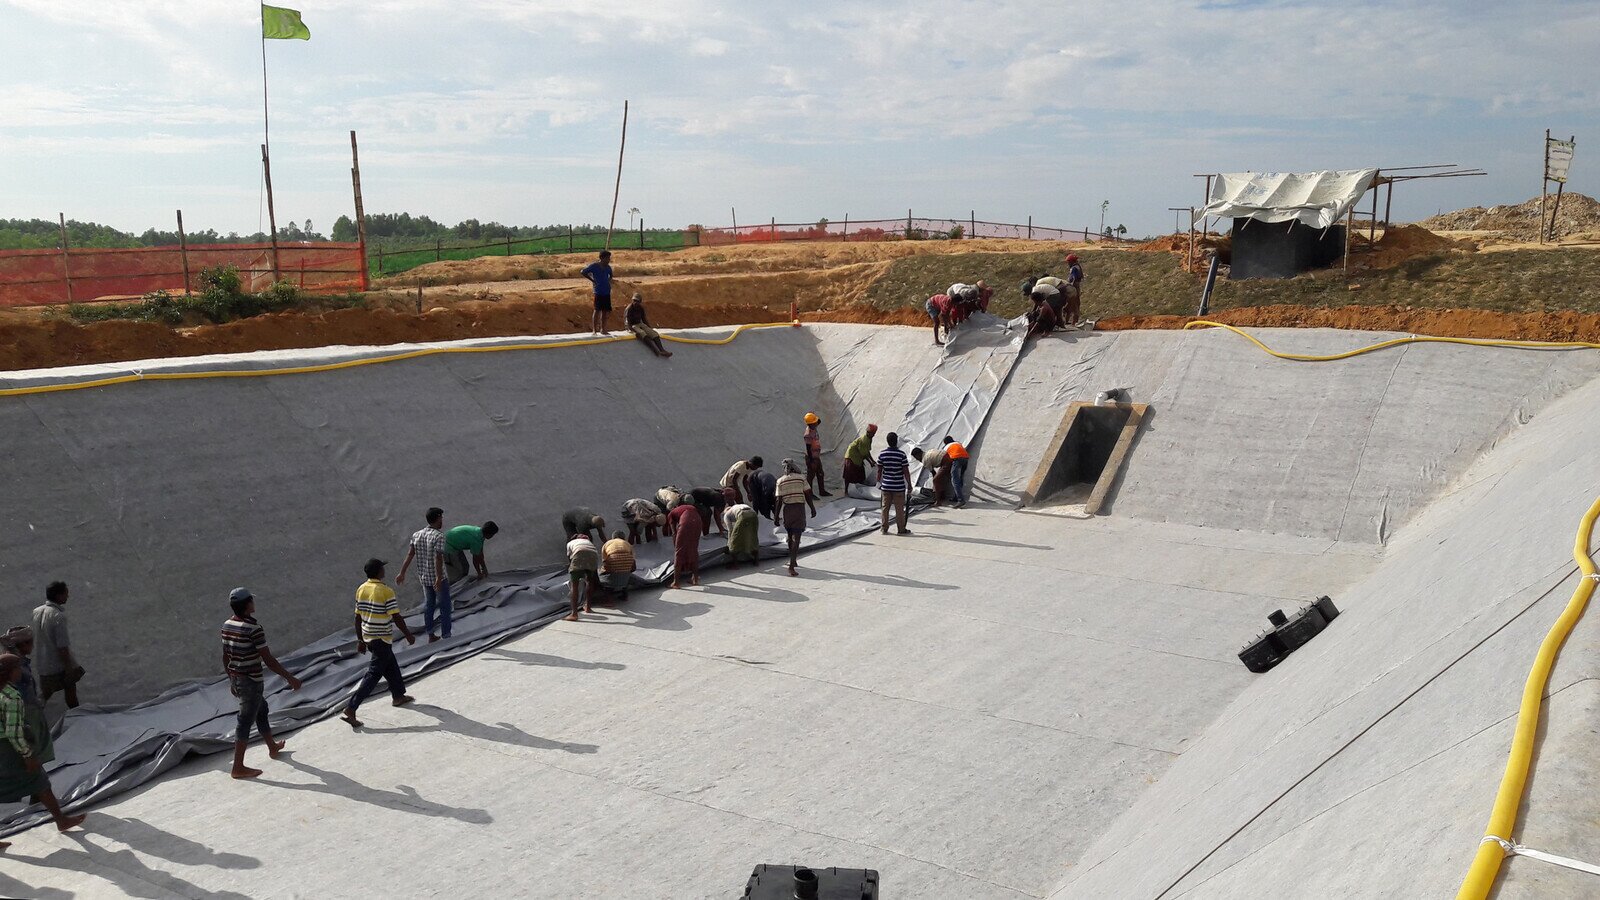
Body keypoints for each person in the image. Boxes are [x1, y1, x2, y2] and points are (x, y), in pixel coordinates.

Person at [221, 587, 303, 779]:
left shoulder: (227, 625)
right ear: (247, 604)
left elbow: (225, 656)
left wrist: (231, 679)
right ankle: (238, 767)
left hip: (240, 678)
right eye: (252, 600)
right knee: (244, 722)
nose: (253, 603)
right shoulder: (254, 629)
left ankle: (272, 747)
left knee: (262, 709)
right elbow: (268, 660)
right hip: (251, 681)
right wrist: (290, 678)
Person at [0, 654, 86, 835]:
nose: (19, 672)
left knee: (39, 783)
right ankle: (61, 820)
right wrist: (28, 755)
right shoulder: (12, 697)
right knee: (39, 781)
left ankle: (61, 820)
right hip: (8, 749)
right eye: (17, 668)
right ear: (9, 673)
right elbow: (13, 732)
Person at [342, 559, 416, 729]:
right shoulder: (385, 591)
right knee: (374, 674)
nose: (384, 570)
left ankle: (398, 696)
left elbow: (357, 617)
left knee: (390, 664)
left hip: (369, 636)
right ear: (379, 572)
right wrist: (408, 634)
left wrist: (360, 640)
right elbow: (396, 616)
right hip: (381, 637)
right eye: (383, 567)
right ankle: (351, 708)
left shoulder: (361, 589)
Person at [0, 627, 51, 771]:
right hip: (27, 712)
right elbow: (14, 732)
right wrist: (28, 756)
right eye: (30, 643)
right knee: (36, 746)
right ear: (22, 645)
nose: (32, 646)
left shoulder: (11, 661)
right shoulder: (16, 668)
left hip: (29, 710)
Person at [397, 507, 451, 643]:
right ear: (438, 518)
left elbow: (410, 554)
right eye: (441, 518)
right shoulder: (439, 536)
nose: (442, 520)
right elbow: (438, 558)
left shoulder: (417, 535)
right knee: (445, 606)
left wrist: (402, 572)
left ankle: (431, 634)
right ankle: (446, 635)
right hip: (439, 579)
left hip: (425, 578)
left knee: (429, 606)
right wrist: (439, 578)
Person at [31, 581, 83, 712]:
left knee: (45, 693)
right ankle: (78, 715)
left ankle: (34, 714)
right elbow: (62, 646)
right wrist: (68, 668)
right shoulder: (58, 616)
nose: (68, 596)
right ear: (59, 596)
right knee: (70, 690)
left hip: (43, 663)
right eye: (66, 593)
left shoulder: (37, 611)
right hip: (58, 664)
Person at [775, 459, 817, 576]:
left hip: (787, 510)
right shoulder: (801, 478)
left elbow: (778, 500)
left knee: (789, 536)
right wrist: (813, 508)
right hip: (798, 509)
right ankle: (792, 566)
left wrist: (776, 516)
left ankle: (793, 560)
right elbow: (808, 494)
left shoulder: (780, 481)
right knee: (796, 538)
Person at [877, 433, 911, 535]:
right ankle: (901, 529)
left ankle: (884, 528)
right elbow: (906, 471)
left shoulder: (882, 454)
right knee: (899, 509)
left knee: (885, 508)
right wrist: (909, 484)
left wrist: (878, 482)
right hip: (899, 487)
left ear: (887, 441)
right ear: (896, 441)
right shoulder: (901, 454)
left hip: (886, 486)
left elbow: (879, 471)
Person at [667, 500, 703, 589]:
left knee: (679, 553)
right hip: (698, 521)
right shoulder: (684, 507)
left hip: (686, 522)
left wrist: (676, 546)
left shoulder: (671, 513)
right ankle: (695, 579)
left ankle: (676, 583)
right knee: (693, 549)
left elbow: (674, 532)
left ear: (671, 508)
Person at [624, 293, 673, 357]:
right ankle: (655, 350)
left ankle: (662, 350)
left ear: (640, 302)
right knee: (642, 333)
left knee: (653, 333)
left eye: (637, 301)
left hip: (639, 323)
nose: (635, 302)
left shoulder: (640, 308)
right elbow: (627, 321)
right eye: (634, 301)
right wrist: (631, 330)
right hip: (632, 325)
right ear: (632, 300)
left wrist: (649, 328)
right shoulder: (629, 308)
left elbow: (644, 319)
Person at [565, 532, 600, 619]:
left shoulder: (571, 543)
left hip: (578, 553)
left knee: (575, 585)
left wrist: (574, 571)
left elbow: (570, 558)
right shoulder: (589, 543)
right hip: (593, 555)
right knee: (589, 582)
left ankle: (574, 614)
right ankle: (588, 607)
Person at [580, 249, 614, 335]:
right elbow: (583, 272)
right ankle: (594, 330)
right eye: (607, 258)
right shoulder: (594, 266)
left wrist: (608, 282)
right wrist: (593, 280)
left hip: (606, 291)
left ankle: (603, 329)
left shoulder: (608, 267)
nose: (609, 260)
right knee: (597, 310)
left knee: (605, 311)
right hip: (598, 291)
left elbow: (611, 275)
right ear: (602, 258)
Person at [842, 424, 878, 498]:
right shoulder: (864, 440)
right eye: (872, 433)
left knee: (860, 475)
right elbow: (864, 454)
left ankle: (858, 490)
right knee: (849, 475)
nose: (873, 435)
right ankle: (846, 491)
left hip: (858, 457)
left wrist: (872, 460)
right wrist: (870, 462)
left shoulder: (869, 439)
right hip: (851, 456)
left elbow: (867, 451)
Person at [600, 531, 636, 602]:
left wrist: (603, 572)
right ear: (623, 538)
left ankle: (608, 599)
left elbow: (605, 561)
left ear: (613, 537)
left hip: (613, 558)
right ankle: (625, 595)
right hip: (628, 560)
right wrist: (627, 572)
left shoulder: (607, 543)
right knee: (626, 575)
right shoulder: (627, 543)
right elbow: (633, 563)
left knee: (605, 577)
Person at [803, 412, 832, 497]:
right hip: (811, 457)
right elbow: (808, 448)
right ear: (811, 424)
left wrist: (813, 417)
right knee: (811, 476)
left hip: (816, 456)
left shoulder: (813, 427)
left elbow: (819, 421)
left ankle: (822, 491)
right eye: (814, 422)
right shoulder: (808, 434)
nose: (817, 423)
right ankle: (809, 494)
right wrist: (811, 461)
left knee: (820, 473)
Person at [724, 503, 760, 569]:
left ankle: (735, 565)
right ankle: (756, 561)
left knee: (734, 541)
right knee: (753, 537)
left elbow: (730, 530)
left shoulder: (726, 515)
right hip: (753, 513)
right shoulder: (736, 507)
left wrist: (729, 543)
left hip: (743, 514)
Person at [943, 436, 971, 507]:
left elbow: (945, 458)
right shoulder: (958, 443)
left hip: (957, 459)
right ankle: (956, 497)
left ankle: (960, 500)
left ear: (945, 443)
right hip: (966, 459)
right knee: (960, 478)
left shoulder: (946, 447)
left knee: (955, 480)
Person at [1064, 253, 1085, 326]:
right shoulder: (1078, 266)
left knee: (1074, 304)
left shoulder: (1074, 268)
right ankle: (1069, 321)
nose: (1068, 264)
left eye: (1069, 262)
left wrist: (1069, 287)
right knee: (1073, 304)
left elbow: (1072, 279)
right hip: (1076, 286)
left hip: (1074, 287)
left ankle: (1074, 322)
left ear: (1072, 261)